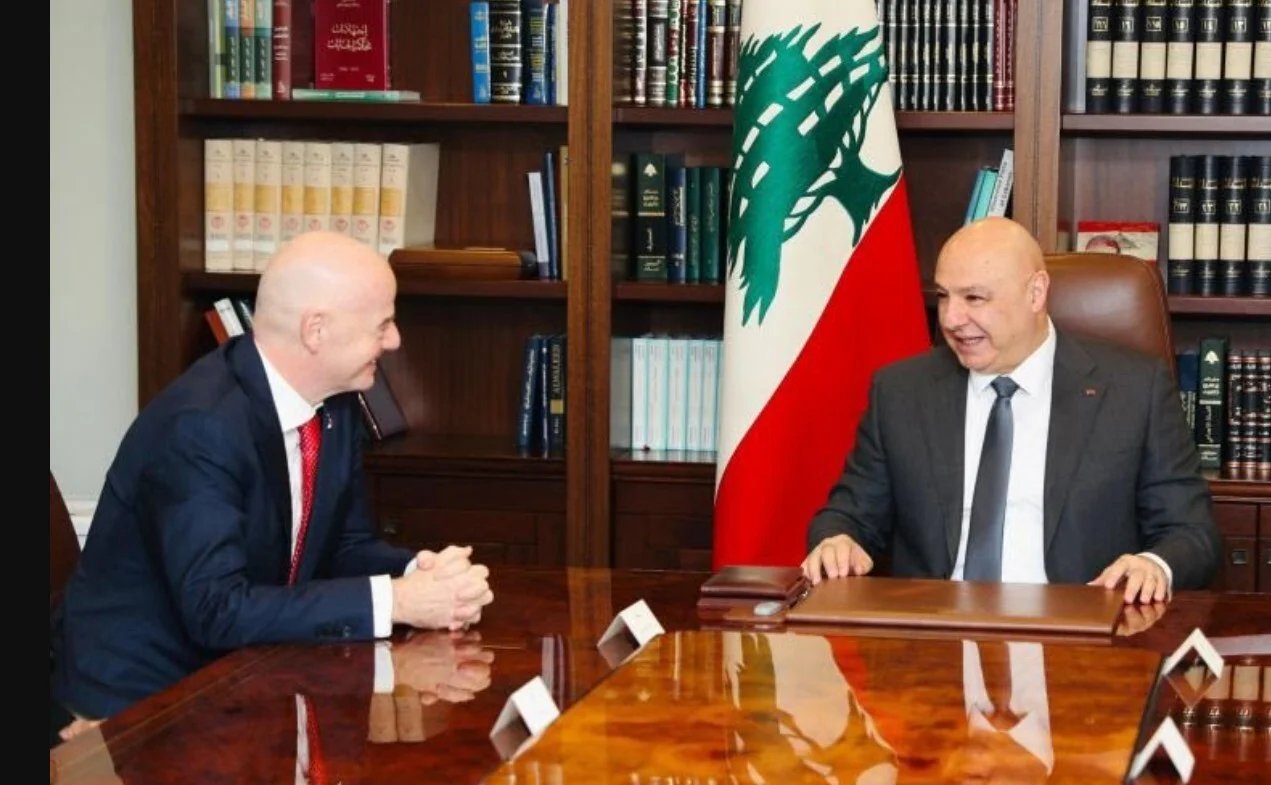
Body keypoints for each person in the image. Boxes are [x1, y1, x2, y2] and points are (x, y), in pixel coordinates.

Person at [50, 231, 494, 746]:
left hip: (246, 677)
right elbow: (217, 610)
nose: (394, 340)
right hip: (144, 708)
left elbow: (341, 547)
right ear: (315, 331)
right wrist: (396, 602)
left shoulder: (335, 401)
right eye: (382, 324)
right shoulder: (200, 428)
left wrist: (422, 574)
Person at [801, 217, 1220, 602]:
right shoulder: (902, 392)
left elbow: (1191, 532)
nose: (951, 318)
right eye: (944, 296)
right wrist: (838, 540)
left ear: (1035, 293)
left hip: (1078, 631)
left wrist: (1155, 564)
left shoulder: (1133, 390)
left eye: (974, 298)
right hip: (933, 633)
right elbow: (849, 515)